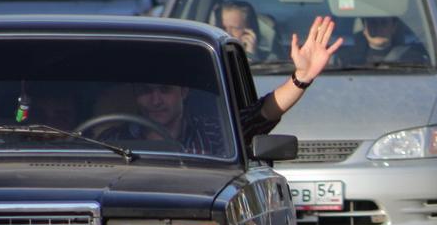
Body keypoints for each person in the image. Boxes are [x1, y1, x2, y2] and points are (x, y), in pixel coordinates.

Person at [104, 16, 342, 153]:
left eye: (164, 91)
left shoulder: (216, 133)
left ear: (183, 92)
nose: (155, 100)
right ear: (135, 95)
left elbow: (263, 113)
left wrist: (301, 77)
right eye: (146, 92)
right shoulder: (113, 140)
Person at [331, 15, 426, 66]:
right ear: (364, 28)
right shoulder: (344, 58)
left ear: (394, 27)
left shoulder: (413, 59)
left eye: (383, 23)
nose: (378, 27)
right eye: (373, 23)